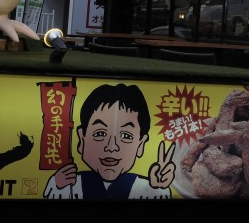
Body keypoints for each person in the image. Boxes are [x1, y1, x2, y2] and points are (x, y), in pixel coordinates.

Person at [44, 83, 175, 199]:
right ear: (82, 138)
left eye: (126, 136)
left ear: (141, 144)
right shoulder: (70, 184)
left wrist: (158, 188)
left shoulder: (142, 187)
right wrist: (57, 184)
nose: (112, 147)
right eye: (100, 134)